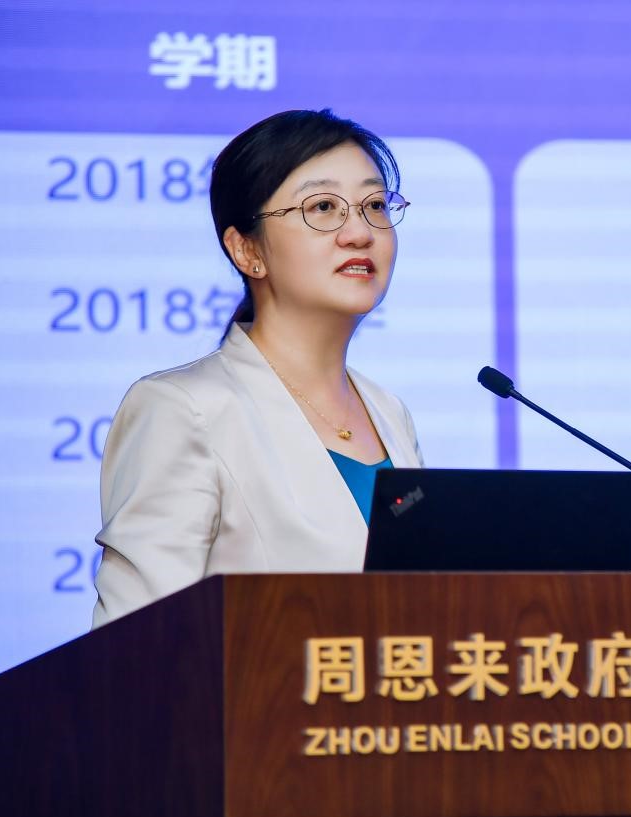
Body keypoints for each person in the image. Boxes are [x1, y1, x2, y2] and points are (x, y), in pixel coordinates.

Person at [91, 109, 422, 628]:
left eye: (375, 205)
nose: (360, 232)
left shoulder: (388, 412)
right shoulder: (182, 409)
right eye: (323, 207)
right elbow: (136, 643)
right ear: (246, 250)